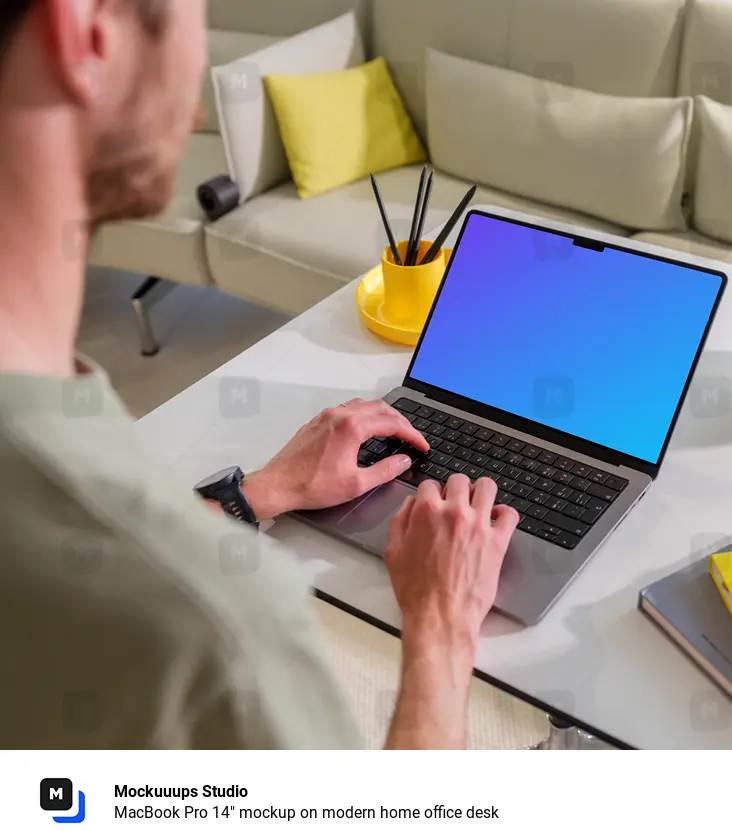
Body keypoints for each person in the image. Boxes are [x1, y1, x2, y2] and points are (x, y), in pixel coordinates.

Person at [0, 0, 519, 748]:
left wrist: (258, 492)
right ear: (83, 30)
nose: (202, 62)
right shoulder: (206, 623)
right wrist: (442, 629)